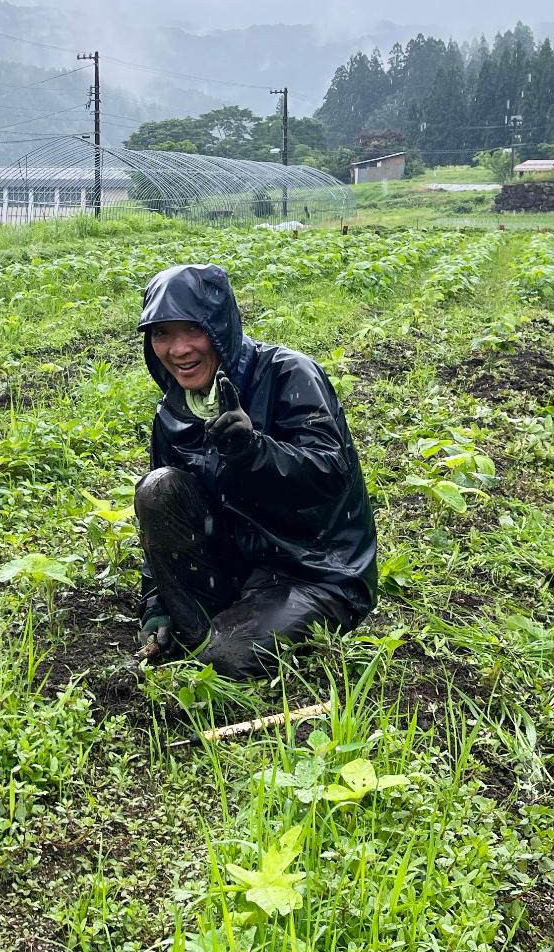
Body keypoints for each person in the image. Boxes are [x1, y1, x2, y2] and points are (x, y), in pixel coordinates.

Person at [134, 264, 378, 678]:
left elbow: (331, 472)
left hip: (314, 570)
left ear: (220, 327)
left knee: (223, 658)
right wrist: (157, 601)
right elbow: (164, 523)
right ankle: (202, 625)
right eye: (162, 334)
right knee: (158, 489)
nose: (179, 349)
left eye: (193, 330)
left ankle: (222, 637)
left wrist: (255, 452)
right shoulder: (174, 412)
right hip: (237, 563)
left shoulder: (289, 375)